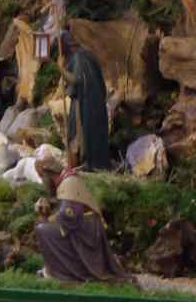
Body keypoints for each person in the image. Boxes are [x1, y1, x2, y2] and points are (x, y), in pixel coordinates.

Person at [33, 149, 133, 283]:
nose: (42, 181)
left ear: (48, 173)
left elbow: (69, 215)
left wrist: (48, 217)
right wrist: (48, 208)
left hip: (85, 229)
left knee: (42, 229)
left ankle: (66, 273)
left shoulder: (69, 182)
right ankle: (57, 270)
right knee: (43, 227)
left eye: (41, 176)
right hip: (81, 225)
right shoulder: (64, 181)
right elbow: (66, 207)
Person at [57, 31, 111, 171]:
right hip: (90, 101)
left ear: (65, 46)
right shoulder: (85, 54)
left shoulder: (79, 57)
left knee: (81, 133)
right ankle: (87, 162)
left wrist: (61, 69)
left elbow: (77, 80)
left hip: (86, 103)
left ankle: (89, 163)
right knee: (81, 133)